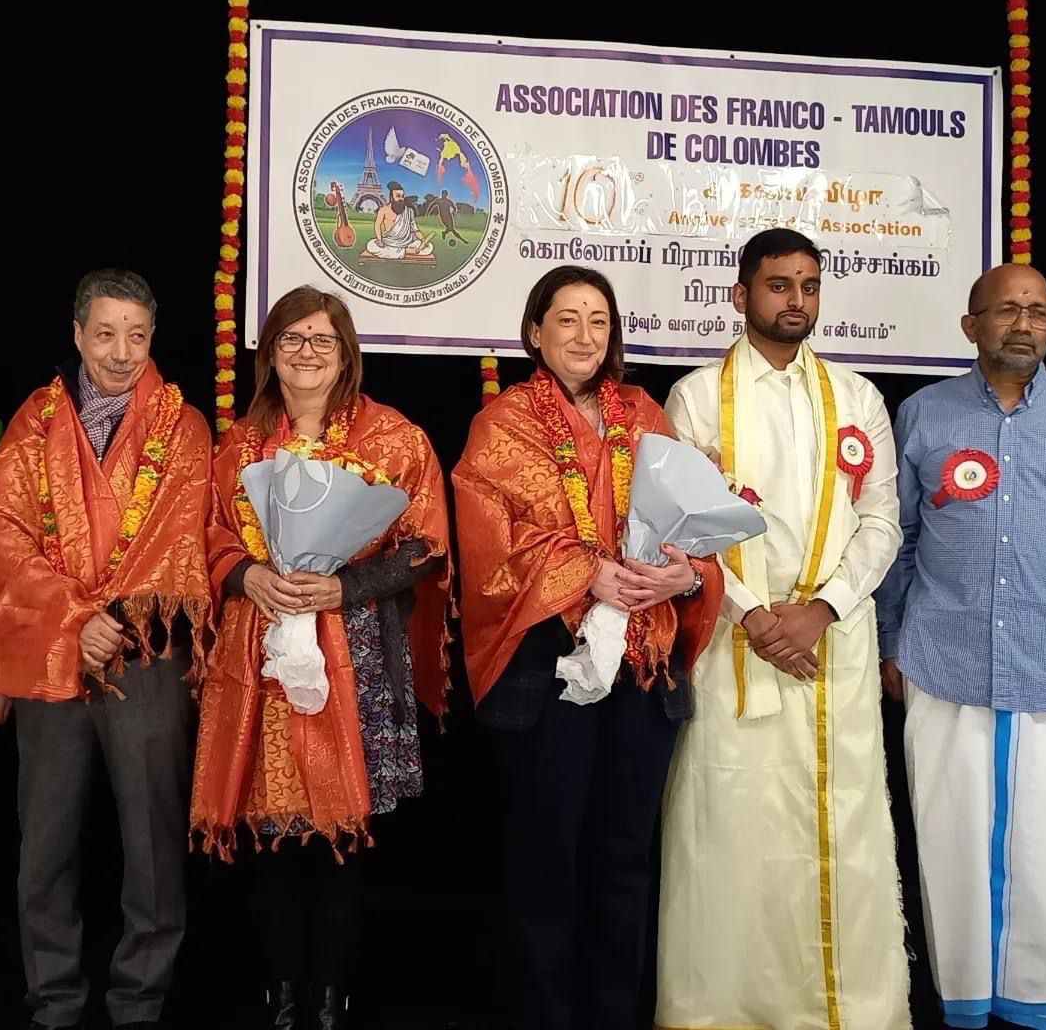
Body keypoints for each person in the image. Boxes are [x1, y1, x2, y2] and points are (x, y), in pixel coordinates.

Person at [452, 265, 722, 1030]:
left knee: (627, 861)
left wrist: (684, 574)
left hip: (644, 664)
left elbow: (696, 522)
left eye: (598, 321)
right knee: (546, 864)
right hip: (548, 671)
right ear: (535, 332)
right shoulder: (502, 423)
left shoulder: (646, 415)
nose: (583, 336)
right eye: (566, 320)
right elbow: (490, 544)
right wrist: (586, 572)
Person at [655, 228, 911, 1030]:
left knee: (842, 821)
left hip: (833, 640)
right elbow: (682, 528)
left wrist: (821, 610)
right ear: (741, 295)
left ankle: (849, 1010)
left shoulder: (857, 397)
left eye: (809, 285)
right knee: (730, 826)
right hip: (735, 641)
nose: (796, 300)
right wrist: (757, 616)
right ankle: (721, 1010)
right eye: (778, 285)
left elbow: (883, 522)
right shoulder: (697, 396)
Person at [190, 285, 452, 1029]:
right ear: (270, 353)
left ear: (346, 355)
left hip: (357, 654)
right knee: (274, 835)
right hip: (261, 655)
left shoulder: (393, 438)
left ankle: (332, 1000)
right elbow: (206, 537)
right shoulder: (238, 446)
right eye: (292, 339)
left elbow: (427, 545)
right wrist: (247, 575)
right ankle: (283, 999)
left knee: (340, 836)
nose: (307, 353)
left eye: (322, 340)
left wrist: (344, 586)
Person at [0, 268, 214, 1030]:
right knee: (45, 843)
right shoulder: (33, 422)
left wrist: (109, 620)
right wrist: (72, 619)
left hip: (143, 654)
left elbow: (179, 538)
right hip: (51, 653)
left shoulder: (183, 427)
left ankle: (139, 1001)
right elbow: (6, 536)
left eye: (137, 336)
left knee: (152, 844)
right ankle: (53, 1000)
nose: (122, 352)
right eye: (106, 334)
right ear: (78, 334)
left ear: (153, 339)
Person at [876, 263, 1046, 1029]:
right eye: (1007, 310)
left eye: (1039, 312)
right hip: (943, 659)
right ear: (970, 325)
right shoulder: (924, 414)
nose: (1024, 324)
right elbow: (898, 539)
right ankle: (962, 1001)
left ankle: (1043, 1001)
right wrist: (891, 643)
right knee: (950, 841)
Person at [365, 181, 434, 259]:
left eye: (402, 196)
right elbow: (377, 225)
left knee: (428, 246)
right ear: (391, 197)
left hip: (406, 243)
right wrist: (379, 240)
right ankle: (405, 251)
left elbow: (415, 230)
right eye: (398, 196)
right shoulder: (383, 210)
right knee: (371, 245)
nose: (401, 199)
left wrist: (423, 240)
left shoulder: (409, 211)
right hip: (388, 243)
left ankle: (401, 251)